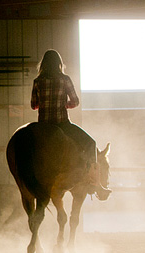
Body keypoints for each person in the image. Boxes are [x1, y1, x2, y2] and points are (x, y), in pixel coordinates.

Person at [30, 49, 99, 185]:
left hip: (43, 126)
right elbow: (75, 102)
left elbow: (33, 105)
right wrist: (63, 104)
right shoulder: (65, 79)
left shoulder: (37, 81)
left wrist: (45, 103)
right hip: (62, 124)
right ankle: (92, 180)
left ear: (43, 64)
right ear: (59, 64)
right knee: (91, 143)